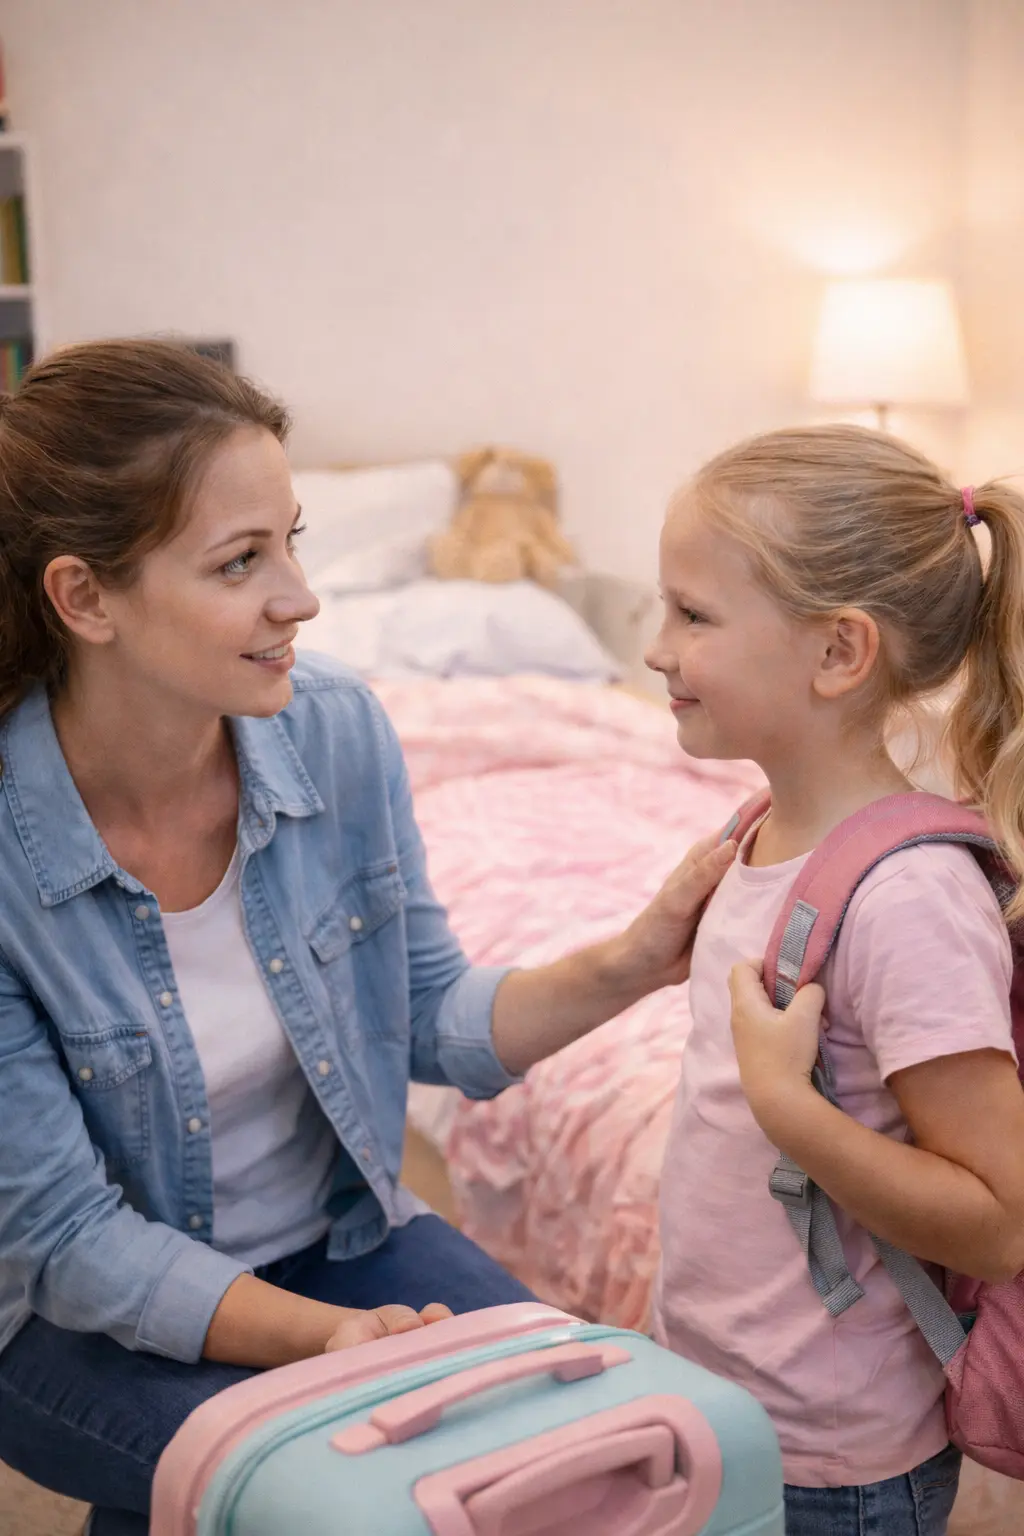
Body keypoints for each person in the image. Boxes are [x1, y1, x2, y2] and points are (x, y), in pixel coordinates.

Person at [0, 340, 733, 1535]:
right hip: (59, 1319)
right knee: (337, 1505)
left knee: (574, 1447)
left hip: (335, 1239)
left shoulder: (334, 730)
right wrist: (333, 1344)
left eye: (293, 539)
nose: (301, 597)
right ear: (85, 598)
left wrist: (635, 957)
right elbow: (70, 1245)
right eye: (242, 561)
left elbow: (428, 1013)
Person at [646, 424, 1024, 1536]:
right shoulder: (761, 830)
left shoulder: (909, 904)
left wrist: (787, 1111)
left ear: (837, 653)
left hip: (836, 1468)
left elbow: (1001, 1222)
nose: (656, 649)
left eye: (693, 615)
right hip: (728, 1406)